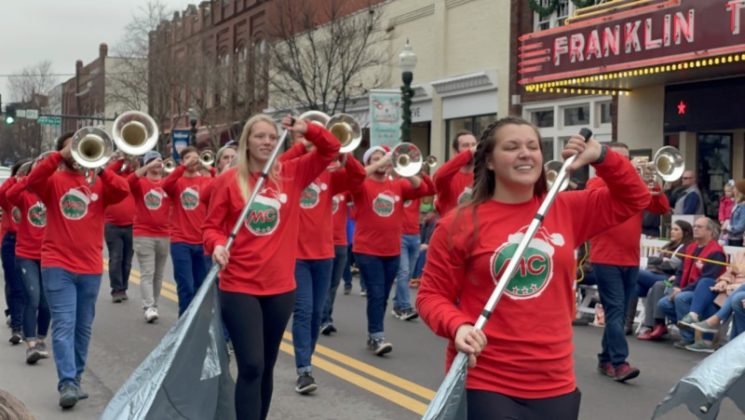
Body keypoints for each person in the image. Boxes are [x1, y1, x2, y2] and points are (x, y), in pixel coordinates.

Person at [416, 116, 650, 420]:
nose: (525, 154)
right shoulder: (458, 222)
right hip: (485, 377)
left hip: (555, 380)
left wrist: (602, 157)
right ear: (488, 161)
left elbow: (635, 197)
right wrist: (457, 325)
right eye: (511, 147)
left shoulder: (565, 208)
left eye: (533, 146)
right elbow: (431, 295)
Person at [203, 114, 339, 420]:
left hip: (280, 288)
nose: (265, 142)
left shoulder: (291, 173)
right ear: (247, 142)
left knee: (266, 366)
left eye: (270, 136)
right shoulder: (228, 180)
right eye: (259, 136)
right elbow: (210, 227)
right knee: (250, 364)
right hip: (239, 286)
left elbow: (331, 149)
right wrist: (217, 245)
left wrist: (308, 130)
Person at [26, 133, 130, 408]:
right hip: (57, 264)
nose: (77, 150)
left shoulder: (98, 181)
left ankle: (77, 378)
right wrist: (59, 157)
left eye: (81, 145)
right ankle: (67, 383)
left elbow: (122, 191)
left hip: (91, 266)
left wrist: (102, 166)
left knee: (83, 328)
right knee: (64, 323)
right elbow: (32, 181)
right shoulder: (53, 181)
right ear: (62, 151)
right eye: (71, 146)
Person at [279, 137, 366, 394]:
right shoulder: (290, 175)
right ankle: (304, 370)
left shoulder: (330, 178)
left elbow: (359, 177)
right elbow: (278, 165)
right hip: (296, 255)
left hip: (324, 255)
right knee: (304, 311)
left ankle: (307, 360)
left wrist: (345, 156)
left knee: (317, 314)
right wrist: (301, 147)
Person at [587, 142, 670, 382]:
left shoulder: (635, 185)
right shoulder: (596, 183)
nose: (623, 163)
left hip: (631, 257)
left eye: (626, 158)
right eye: (617, 159)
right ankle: (620, 362)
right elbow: (605, 195)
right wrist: (625, 175)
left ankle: (605, 359)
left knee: (620, 310)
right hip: (605, 257)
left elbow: (662, 207)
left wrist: (652, 183)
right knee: (615, 310)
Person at [351, 145, 434, 356]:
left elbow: (426, 190)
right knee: (376, 293)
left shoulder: (397, 185)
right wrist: (379, 162)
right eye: (374, 159)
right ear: (368, 163)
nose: (380, 162)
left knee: (383, 295)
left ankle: (374, 334)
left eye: (383, 159)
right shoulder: (362, 184)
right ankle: (377, 336)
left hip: (392, 250)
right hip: (367, 250)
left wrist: (407, 168)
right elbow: (355, 177)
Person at [6, 157, 51, 364]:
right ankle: (31, 344)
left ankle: (41, 339)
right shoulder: (24, 194)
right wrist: (25, 177)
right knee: (32, 298)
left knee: (46, 303)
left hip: (50, 255)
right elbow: (7, 194)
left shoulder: (54, 192)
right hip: (26, 255)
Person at [657, 217, 726, 349]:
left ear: (710, 231)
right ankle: (692, 332)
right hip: (685, 288)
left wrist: (681, 291)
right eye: (694, 226)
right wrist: (676, 286)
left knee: (681, 299)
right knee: (663, 303)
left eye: (699, 227)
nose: (695, 228)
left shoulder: (716, 252)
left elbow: (707, 280)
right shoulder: (691, 248)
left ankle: (687, 337)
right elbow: (680, 271)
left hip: (706, 293)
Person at [163, 146, 214, 316]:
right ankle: (183, 324)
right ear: (181, 162)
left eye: (196, 158)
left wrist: (207, 167)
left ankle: (196, 323)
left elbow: (223, 181)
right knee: (186, 286)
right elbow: (166, 184)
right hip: (180, 241)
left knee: (201, 286)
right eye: (188, 158)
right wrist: (183, 168)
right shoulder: (177, 182)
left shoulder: (206, 180)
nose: (193, 161)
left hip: (202, 242)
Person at [128, 151, 172, 323]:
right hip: (143, 233)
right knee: (148, 272)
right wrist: (146, 167)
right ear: (146, 164)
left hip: (164, 233)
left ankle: (154, 305)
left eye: (158, 161)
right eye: (152, 161)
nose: (157, 164)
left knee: (159, 274)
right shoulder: (141, 183)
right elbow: (128, 182)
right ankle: (148, 306)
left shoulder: (167, 183)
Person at [636, 220, 693, 340]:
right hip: (655, 275)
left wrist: (659, 262)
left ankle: (657, 324)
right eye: (672, 229)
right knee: (634, 287)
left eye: (676, 229)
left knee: (634, 272)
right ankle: (626, 322)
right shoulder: (668, 245)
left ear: (685, 232)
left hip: (669, 280)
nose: (672, 231)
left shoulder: (686, 247)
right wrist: (661, 262)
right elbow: (654, 261)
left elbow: (672, 266)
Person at [392, 168, 435, 320]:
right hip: (400, 235)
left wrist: (423, 175)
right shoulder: (396, 184)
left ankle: (397, 305)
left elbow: (431, 189)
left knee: (408, 274)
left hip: (415, 235)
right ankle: (405, 307)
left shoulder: (415, 185)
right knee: (403, 273)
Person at [0, 160, 27, 345]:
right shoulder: (13, 195)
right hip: (11, 240)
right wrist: (16, 178)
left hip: (32, 243)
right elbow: (3, 194)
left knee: (29, 288)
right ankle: (17, 324)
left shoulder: (36, 193)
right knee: (15, 284)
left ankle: (24, 318)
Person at [103, 156, 136, 302]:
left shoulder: (130, 177)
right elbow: (107, 171)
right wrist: (121, 159)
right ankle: (116, 289)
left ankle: (123, 288)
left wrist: (132, 159)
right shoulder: (110, 178)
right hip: (112, 225)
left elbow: (137, 173)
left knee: (127, 260)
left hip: (130, 225)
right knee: (116, 258)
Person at [433, 131, 477, 216]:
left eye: (473, 145)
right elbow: (439, 176)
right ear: (455, 152)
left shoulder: (483, 176)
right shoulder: (448, 177)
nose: (471, 148)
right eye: (466, 145)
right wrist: (469, 153)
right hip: (451, 227)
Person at [725, 180, 745, 247]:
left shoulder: (743, 206)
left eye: (734, 188)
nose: (733, 190)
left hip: (738, 238)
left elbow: (741, 226)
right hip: (731, 237)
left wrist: (728, 227)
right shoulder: (736, 204)